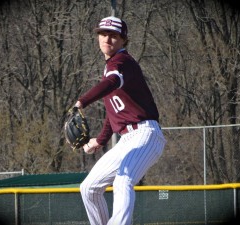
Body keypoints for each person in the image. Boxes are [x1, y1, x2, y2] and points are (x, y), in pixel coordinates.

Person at [74, 16, 166, 225]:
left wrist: (82, 101)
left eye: (114, 35)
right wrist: (101, 140)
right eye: (103, 34)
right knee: (89, 188)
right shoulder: (110, 67)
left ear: (124, 40)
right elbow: (114, 112)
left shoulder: (122, 62)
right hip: (126, 140)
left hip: (146, 134)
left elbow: (113, 81)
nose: (107, 39)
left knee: (123, 180)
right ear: (98, 37)